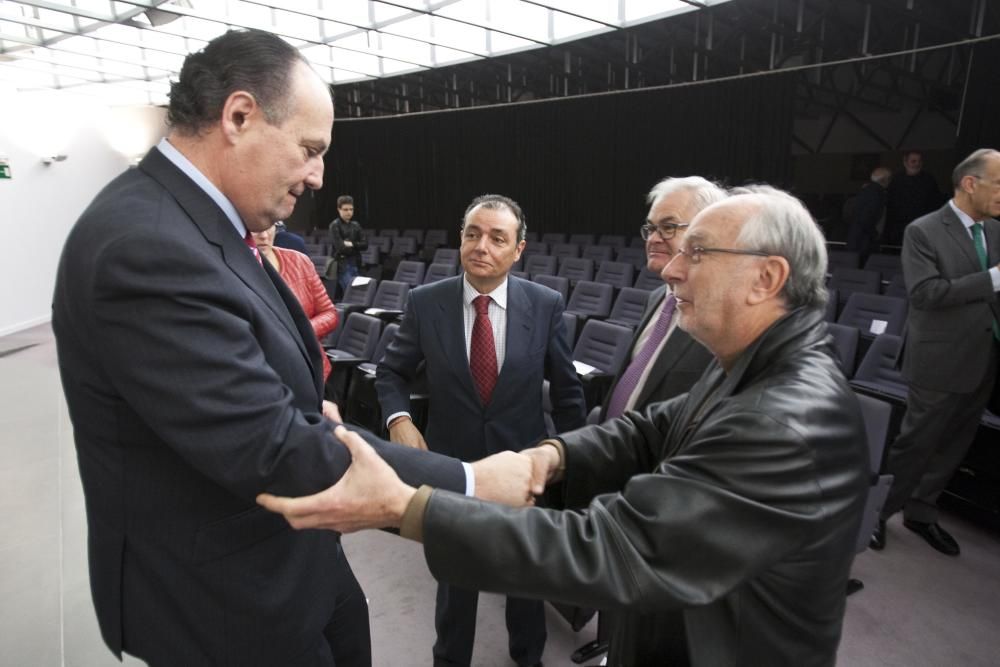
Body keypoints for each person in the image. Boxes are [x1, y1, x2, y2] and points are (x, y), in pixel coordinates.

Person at [51, 29, 534, 667]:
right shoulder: (145, 247)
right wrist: (470, 481)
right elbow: (271, 446)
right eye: (309, 150)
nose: (317, 176)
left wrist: (308, 406)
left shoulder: (206, 225)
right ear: (240, 116)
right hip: (228, 604)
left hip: (299, 562)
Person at [259, 185, 871, 667]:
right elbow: (647, 430)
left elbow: (612, 549)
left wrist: (406, 507)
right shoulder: (747, 366)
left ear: (767, 278)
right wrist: (544, 459)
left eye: (697, 252)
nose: (670, 269)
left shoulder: (783, 422)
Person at [374, 193, 587, 667]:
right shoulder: (426, 303)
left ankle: (527, 658)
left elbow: (569, 394)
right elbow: (391, 373)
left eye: (497, 238)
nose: (481, 246)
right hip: (453, 466)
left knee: (525, 580)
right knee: (456, 584)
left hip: (524, 465)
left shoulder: (545, 304)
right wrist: (400, 419)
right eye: (473, 234)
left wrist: (571, 461)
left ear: (519, 249)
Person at [590, 176, 723, 665]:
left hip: (669, 504)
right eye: (650, 225)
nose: (653, 236)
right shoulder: (658, 299)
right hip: (626, 476)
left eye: (669, 226)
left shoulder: (720, 320)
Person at [872, 148, 1000, 556]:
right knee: (916, 445)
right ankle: (876, 515)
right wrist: (993, 278)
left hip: (984, 357)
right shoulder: (923, 231)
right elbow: (926, 295)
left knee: (955, 444)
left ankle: (922, 513)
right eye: (999, 183)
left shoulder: (996, 231)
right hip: (939, 361)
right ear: (970, 183)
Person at [252, 222, 338, 380]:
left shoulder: (299, 261)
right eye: (255, 229)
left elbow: (329, 313)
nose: (264, 236)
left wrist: (300, 331)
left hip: (310, 369)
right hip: (262, 375)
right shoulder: (229, 267)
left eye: (269, 227)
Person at [883, 150, 944, 246]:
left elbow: (936, 203)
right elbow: (890, 204)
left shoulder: (928, 180)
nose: (917, 164)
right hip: (898, 228)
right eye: (913, 161)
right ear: (905, 162)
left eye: (919, 161)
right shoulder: (896, 180)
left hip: (921, 227)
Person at [845, 166, 892, 265]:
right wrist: (875, 235)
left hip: (855, 237)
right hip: (865, 241)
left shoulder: (864, 191)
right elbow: (867, 218)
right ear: (885, 180)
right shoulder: (877, 194)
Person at [328, 195, 368, 296]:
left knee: (360, 293)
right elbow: (341, 248)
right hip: (343, 264)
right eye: (345, 209)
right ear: (339, 210)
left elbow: (365, 245)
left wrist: (351, 244)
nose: (349, 212)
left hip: (357, 263)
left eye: (351, 209)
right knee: (351, 293)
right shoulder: (334, 225)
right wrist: (356, 246)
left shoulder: (356, 225)